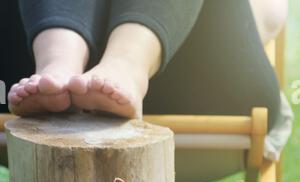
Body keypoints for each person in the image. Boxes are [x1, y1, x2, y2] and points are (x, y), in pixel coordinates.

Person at [7, 0, 288, 131]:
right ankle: (59, 65)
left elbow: (268, 16)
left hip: (203, 81)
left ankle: (126, 65)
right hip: (26, 57)